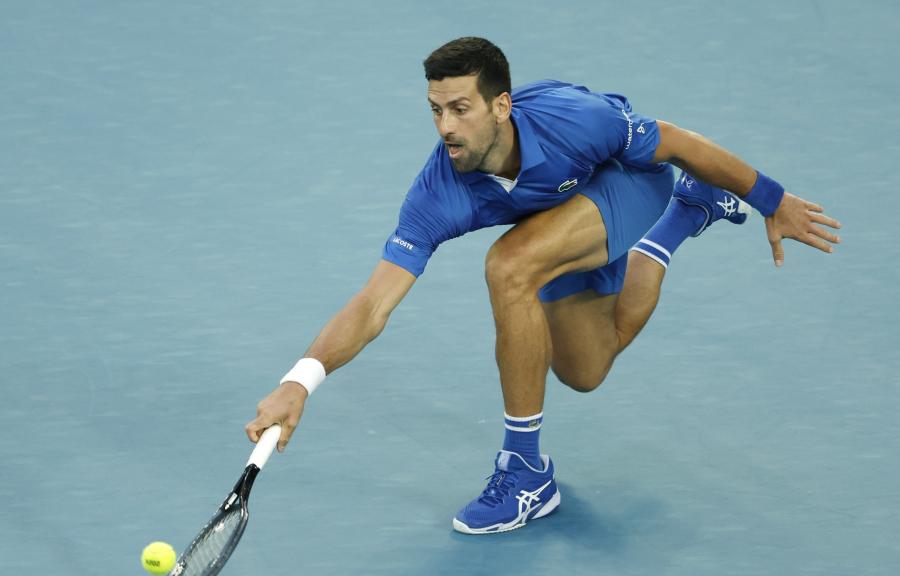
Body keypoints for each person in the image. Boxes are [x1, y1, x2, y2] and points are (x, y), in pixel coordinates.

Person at [245, 37, 841, 534]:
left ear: (501, 106)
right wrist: (300, 381)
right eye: (435, 110)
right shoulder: (436, 194)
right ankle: (686, 216)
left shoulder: (571, 118)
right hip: (557, 223)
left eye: (460, 109)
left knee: (509, 265)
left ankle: (525, 471)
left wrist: (772, 199)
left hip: (629, 182)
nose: (446, 127)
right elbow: (374, 303)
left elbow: (678, 143)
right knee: (585, 369)